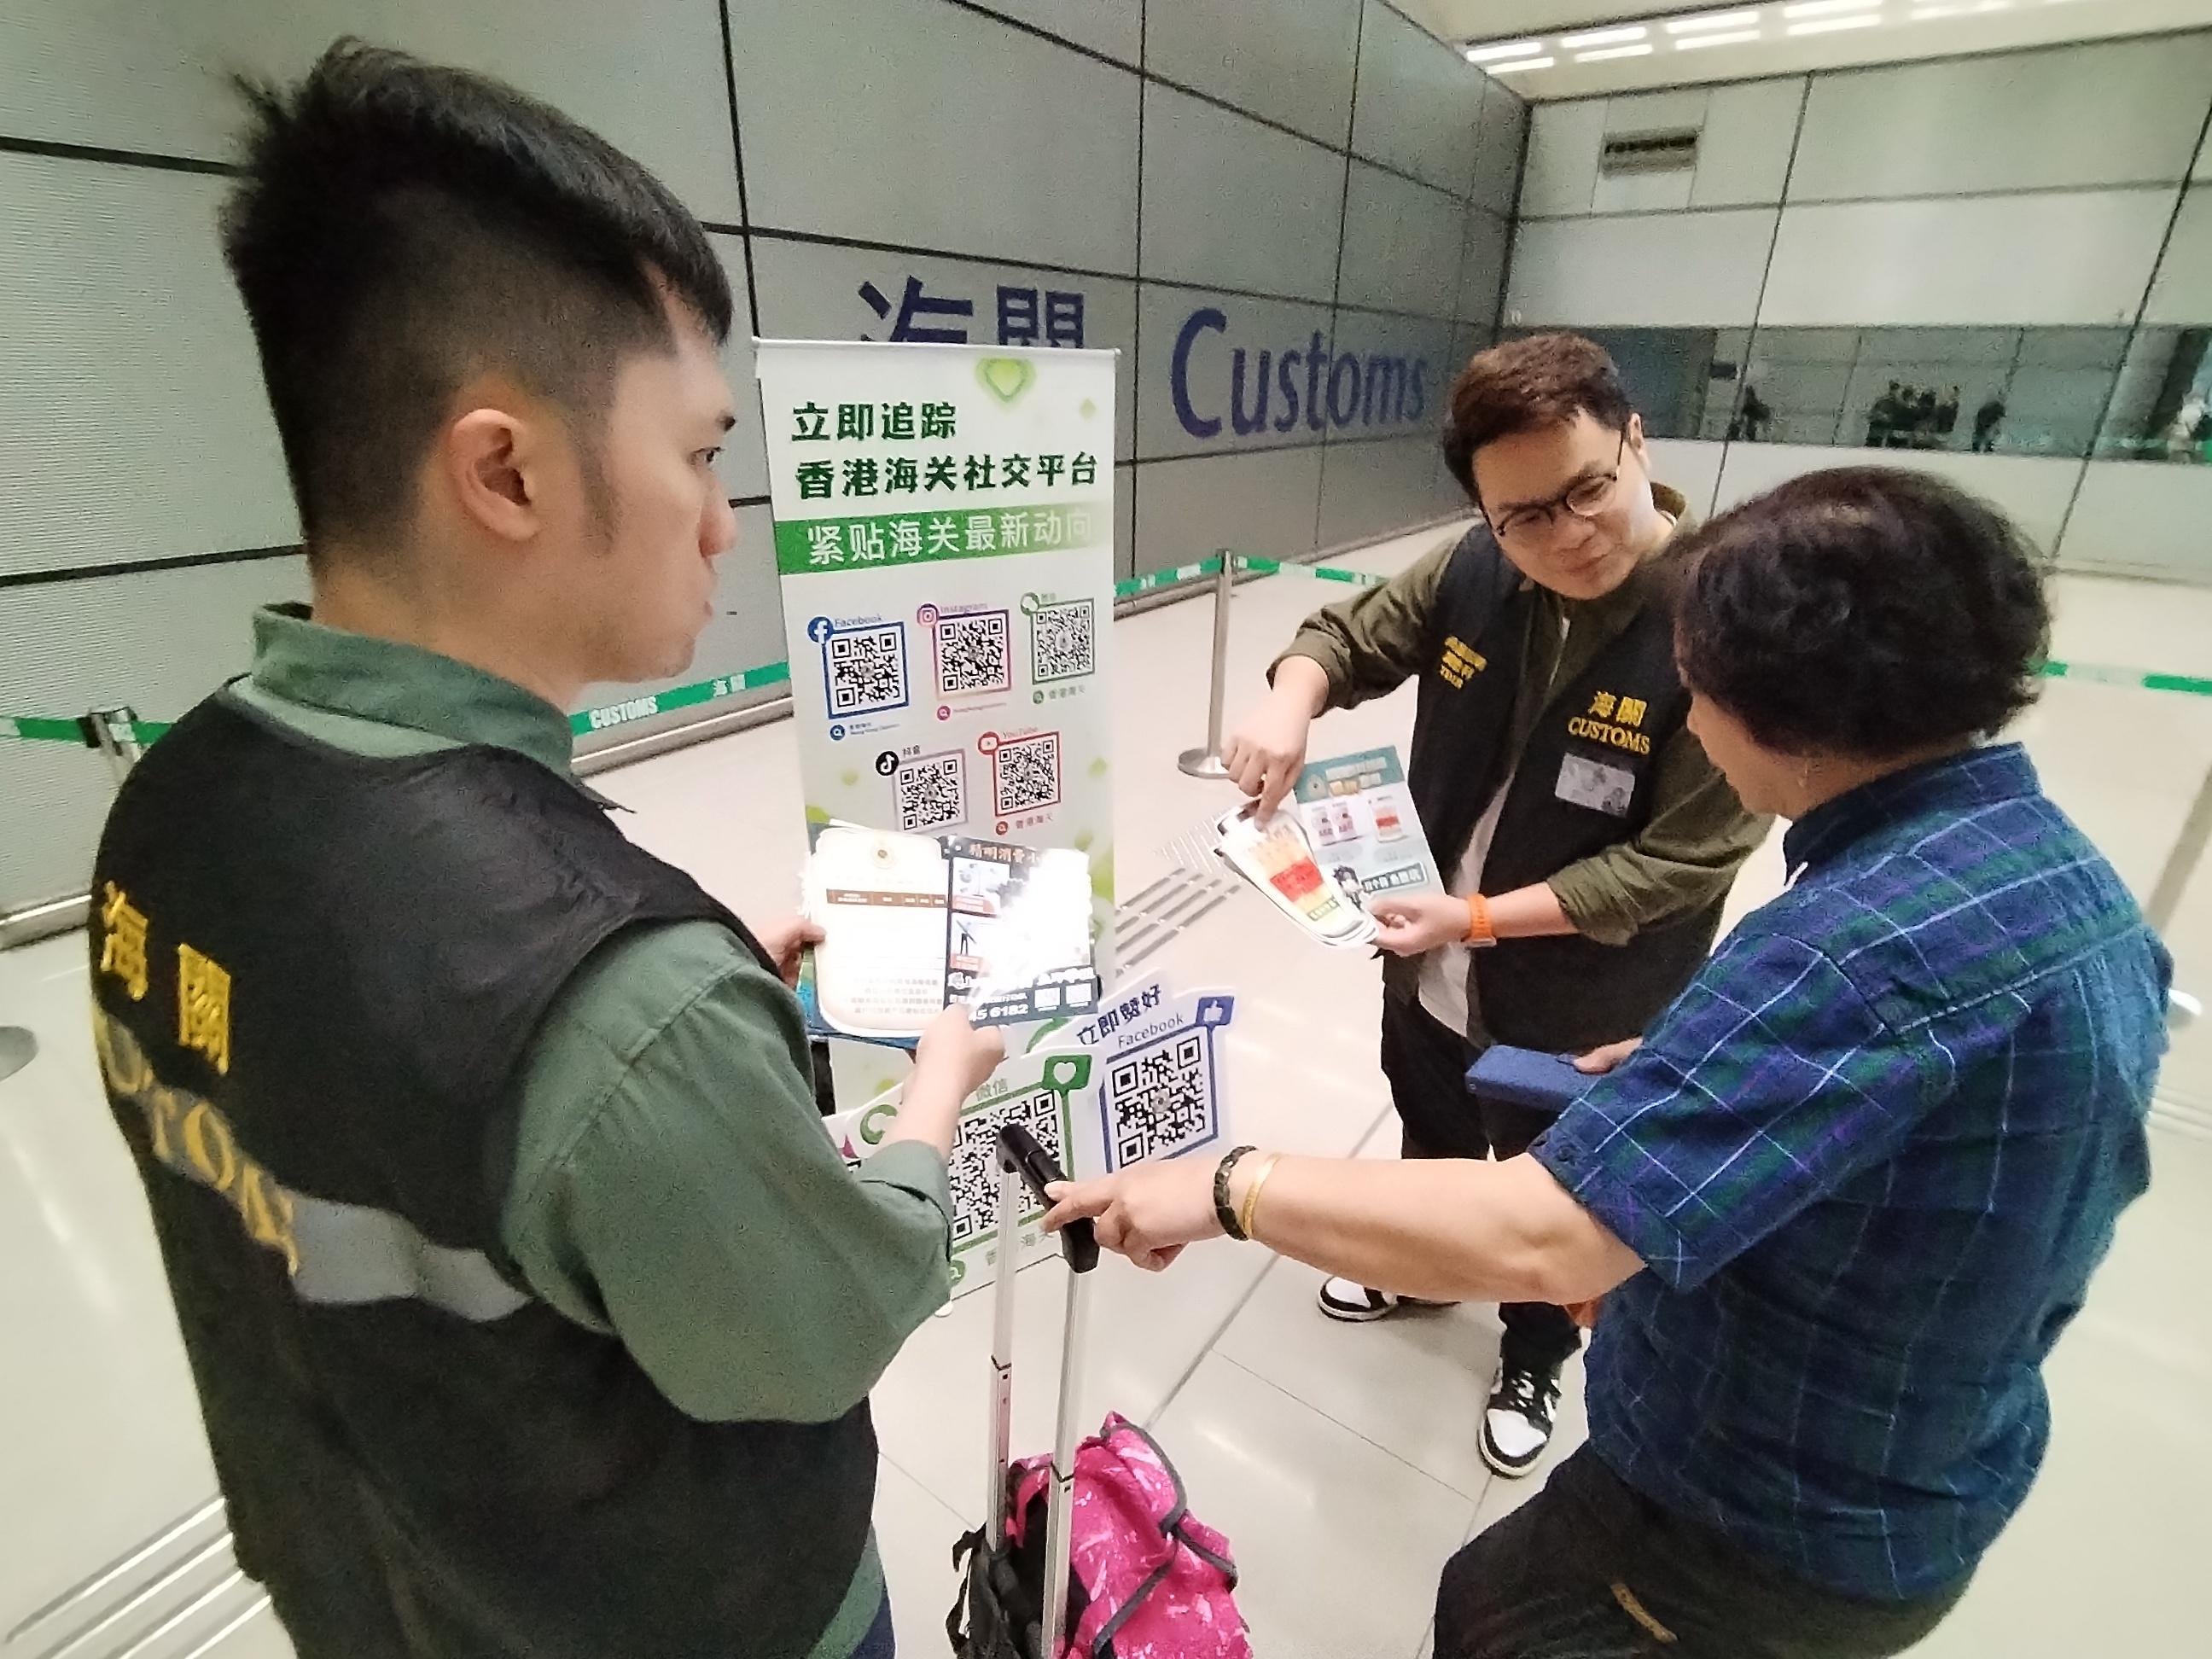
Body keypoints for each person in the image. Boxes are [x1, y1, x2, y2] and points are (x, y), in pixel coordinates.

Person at [85, 44, 1004, 1659]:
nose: (727, 522)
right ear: (503, 467)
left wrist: (709, 1054)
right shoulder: (622, 1005)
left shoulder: (173, 794)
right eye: (705, 453)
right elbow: (822, 1328)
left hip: (368, 1586)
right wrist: (926, 1093)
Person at [1050, 468, 2171, 1658]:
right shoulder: (2054, 873)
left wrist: (1231, 1186)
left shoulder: (1850, 951)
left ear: (1790, 709)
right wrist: (1728, 1071)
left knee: (1493, 1614)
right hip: (1917, 1468)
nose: (1687, 722)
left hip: (1739, 1525)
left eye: (1698, 691)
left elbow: (1544, 1235)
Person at [1220, 334, 1767, 1476]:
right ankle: (1420, 1269)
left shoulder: (1720, 623)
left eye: (1587, 491)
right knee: (1427, 1111)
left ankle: (1533, 1351)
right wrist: (1289, 700)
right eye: (1521, 515)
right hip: (1425, 953)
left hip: (1582, 994)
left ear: (1635, 442)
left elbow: (1678, 865)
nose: (1563, 535)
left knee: (1554, 1185)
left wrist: (1470, 920)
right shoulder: (1482, 566)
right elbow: (1347, 635)